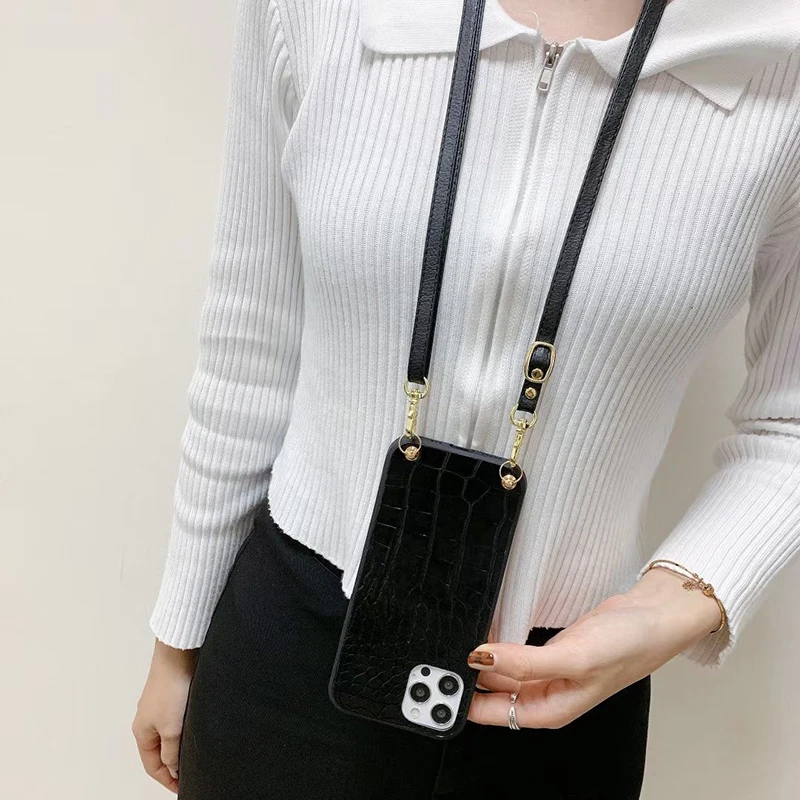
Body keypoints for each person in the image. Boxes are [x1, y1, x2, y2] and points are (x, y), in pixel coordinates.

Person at [132, 0, 800, 797]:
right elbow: (252, 337)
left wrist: (674, 604)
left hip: (570, 695)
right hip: (290, 659)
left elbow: (789, 419)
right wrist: (179, 641)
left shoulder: (779, 54)